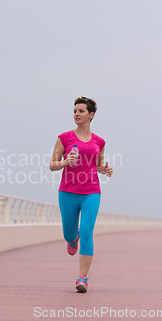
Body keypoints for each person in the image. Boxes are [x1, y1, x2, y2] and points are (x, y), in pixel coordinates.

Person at [49, 97, 113, 293]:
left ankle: (83, 278)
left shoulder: (99, 141)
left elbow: (98, 165)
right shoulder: (65, 138)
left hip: (91, 192)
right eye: (75, 110)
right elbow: (53, 165)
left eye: (81, 111)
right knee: (70, 233)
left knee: (87, 232)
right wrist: (67, 161)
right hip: (68, 191)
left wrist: (105, 170)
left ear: (91, 115)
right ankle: (72, 237)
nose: (76, 114)